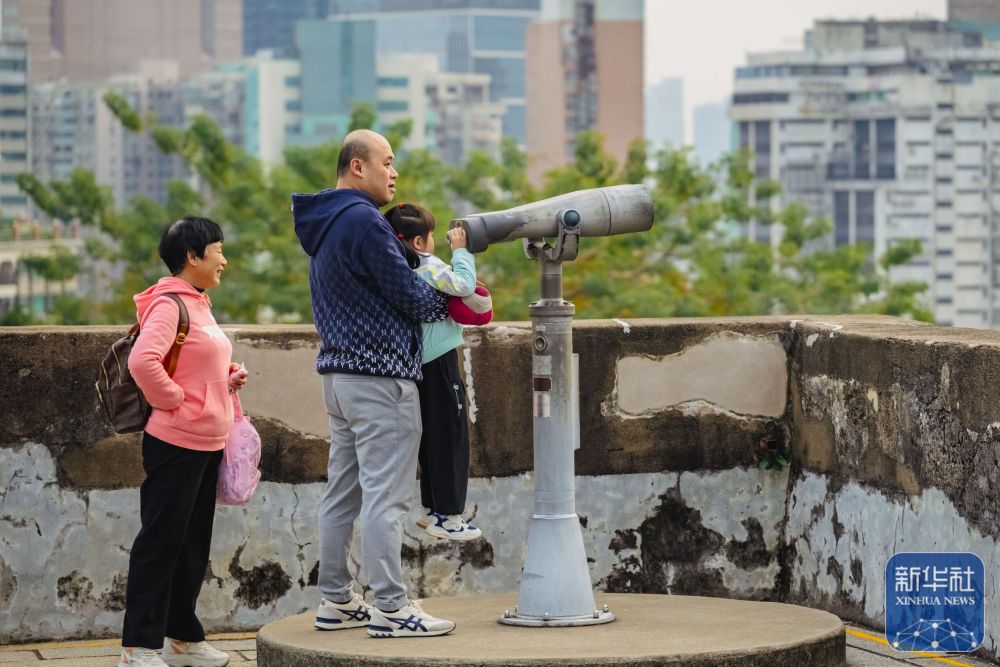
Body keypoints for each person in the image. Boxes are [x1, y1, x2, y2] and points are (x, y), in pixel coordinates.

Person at [292, 129, 457, 638]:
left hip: (340, 379)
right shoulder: (365, 221)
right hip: (381, 380)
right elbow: (411, 296)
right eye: (387, 161)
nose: (395, 172)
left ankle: (337, 600)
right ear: (357, 166)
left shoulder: (325, 222)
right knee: (387, 498)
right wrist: (449, 299)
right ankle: (391, 607)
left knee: (342, 496)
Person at [120, 216, 249, 667]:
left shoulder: (199, 302)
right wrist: (175, 401)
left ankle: (181, 639)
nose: (223, 260)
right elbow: (143, 362)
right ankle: (138, 648)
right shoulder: (169, 304)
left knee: (192, 545)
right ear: (192, 256)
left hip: (206, 441)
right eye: (218, 250)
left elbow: (191, 362)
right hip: (176, 442)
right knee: (161, 543)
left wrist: (225, 379)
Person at [384, 203, 482, 541]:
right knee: (451, 436)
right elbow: (464, 285)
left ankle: (432, 509)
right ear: (418, 242)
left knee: (431, 437)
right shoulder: (427, 266)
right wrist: (461, 251)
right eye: (431, 235)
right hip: (440, 360)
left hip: (417, 363)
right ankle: (449, 517)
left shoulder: (398, 269)